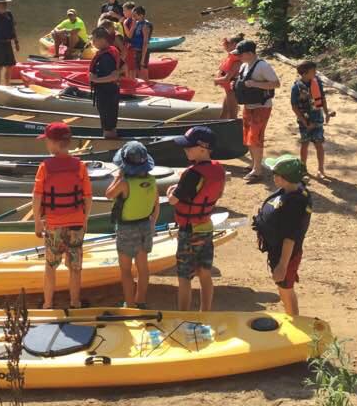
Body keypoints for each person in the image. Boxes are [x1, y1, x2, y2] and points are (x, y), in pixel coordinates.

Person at [32, 122, 93, 309]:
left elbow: (37, 197)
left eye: (47, 141)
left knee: (50, 266)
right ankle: (75, 302)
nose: (46, 145)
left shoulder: (45, 167)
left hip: (53, 225)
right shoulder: (80, 166)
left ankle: (48, 304)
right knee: (75, 267)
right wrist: (85, 220)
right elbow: (88, 197)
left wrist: (37, 222)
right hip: (76, 224)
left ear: (54, 143)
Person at [165, 126, 226, 311]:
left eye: (189, 147)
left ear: (202, 149)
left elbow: (175, 200)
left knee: (184, 277)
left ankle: (183, 314)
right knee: (205, 273)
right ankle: (205, 312)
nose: (185, 149)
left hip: (189, 231)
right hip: (206, 226)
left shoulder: (192, 174)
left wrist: (169, 192)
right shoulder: (218, 169)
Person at [254, 155, 312, 316]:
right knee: (283, 287)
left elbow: (290, 238)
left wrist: (282, 266)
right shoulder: (291, 188)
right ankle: (290, 316)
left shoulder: (295, 204)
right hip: (276, 249)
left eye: (275, 174)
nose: (273, 177)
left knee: (286, 288)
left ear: (285, 179)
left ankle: (294, 321)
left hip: (285, 255)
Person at [105, 142, 159, 308]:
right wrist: (152, 225)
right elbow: (156, 205)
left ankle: (129, 303)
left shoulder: (123, 183)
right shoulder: (151, 180)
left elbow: (108, 195)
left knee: (126, 269)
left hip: (127, 228)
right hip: (145, 226)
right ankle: (141, 300)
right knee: (143, 268)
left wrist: (118, 176)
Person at [231, 39, 281, 183]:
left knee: (255, 137)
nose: (238, 56)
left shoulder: (262, 66)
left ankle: (257, 171)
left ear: (250, 53)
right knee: (248, 137)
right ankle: (254, 164)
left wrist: (255, 84)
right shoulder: (244, 65)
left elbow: (276, 84)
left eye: (240, 54)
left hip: (261, 107)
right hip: (248, 106)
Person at [291, 61, 332, 177]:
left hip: (317, 119)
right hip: (305, 121)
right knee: (305, 144)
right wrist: (304, 121)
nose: (315, 73)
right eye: (313, 71)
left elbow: (322, 98)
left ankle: (321, 170)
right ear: (304, 73)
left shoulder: (317, 82)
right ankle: (303, 168)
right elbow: (294, 107)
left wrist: (327, 113)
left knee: (319, 143)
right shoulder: (296, 87)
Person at [88, 26, 122, 138]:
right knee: (109, 123)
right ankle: (111, 136)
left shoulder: (106, 57)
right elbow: (123, 66)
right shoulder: (111, 51)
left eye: (94, 40)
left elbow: (113, 76)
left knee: (108, 124)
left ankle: (109, 144)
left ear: (102, 40)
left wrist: (95, 79)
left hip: (107, 94)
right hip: (110, 93)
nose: (92, 42)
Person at [213, 33, 245, 119]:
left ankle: (234, 131)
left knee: (232, 116)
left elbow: (227, 78)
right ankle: (219, 129)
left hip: (232, 92)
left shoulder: (237, 62)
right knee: (224, 114)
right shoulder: (232, 56)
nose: (225, 45)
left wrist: (216, 80)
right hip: (228, 91)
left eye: (228, 43)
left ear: (234, 45)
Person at [128, 5, 153, 80]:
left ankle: (146, 86)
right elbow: (129, 36)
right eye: (132, 15)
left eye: (135, 15)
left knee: (143, 73)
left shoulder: (146, 25)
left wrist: (142, 59)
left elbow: (145, 43)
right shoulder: (137, 23)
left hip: (142, 51)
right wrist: (133, 25)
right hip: (136, 51)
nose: (133, 17)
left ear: (141, 15)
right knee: (137, 74)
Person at [121, 1, 137, 77]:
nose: (123, 12)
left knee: (131, 65)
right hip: (128, 45)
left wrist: (124, 24)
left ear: (131, 11)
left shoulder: (132, 21)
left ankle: (131, 81)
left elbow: (129, 35)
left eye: (124, 10)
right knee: (127, 63)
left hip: (131, 46)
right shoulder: (129, 20)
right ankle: (129, 79)